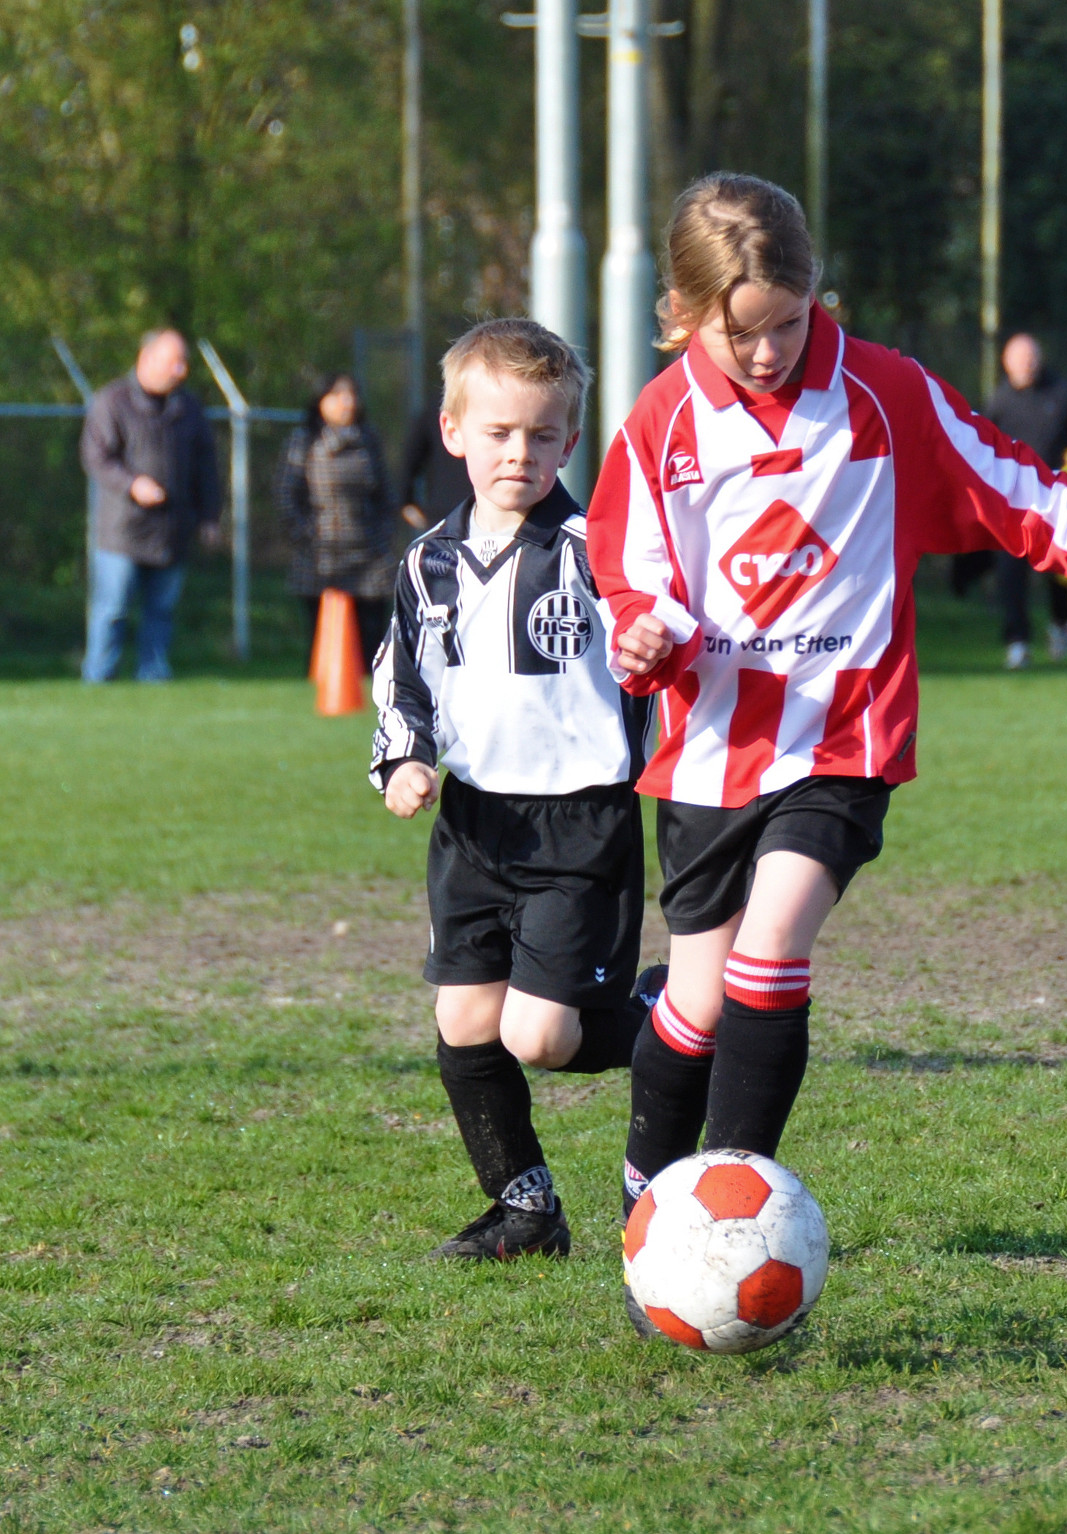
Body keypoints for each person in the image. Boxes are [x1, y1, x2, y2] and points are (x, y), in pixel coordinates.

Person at [584, 173, 1067, 1337]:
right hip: (709, 751)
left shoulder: (881, 391)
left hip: (841, 739)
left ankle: (727, 1219)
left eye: (787, 323)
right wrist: (641, 631)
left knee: (772, 948)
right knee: (692, 1002)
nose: (766, 351)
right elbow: (627, 572)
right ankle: (651, 1198)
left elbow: (996, 471)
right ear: (685, 315)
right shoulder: (659, 423)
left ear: (816, 296)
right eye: (740, 332)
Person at [369, 318, 664, 1262]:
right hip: (473, 824)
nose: (518, 453)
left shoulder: (598, 550)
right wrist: (405, 759)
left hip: (581, 823)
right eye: (498, 432)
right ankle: (526, 1209)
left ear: (570, 441)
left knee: (538, 1036)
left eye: (541, 435)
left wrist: (652, 644)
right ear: (453, 430)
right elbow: (401, 678)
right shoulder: (427, 563)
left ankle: (674, 1019)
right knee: (465, 1020)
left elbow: (660, 635)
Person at [78, 329, 221, 682]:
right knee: (112, 609)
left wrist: (210, 516)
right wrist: (132, 484)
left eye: (183, 363)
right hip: (121, 531)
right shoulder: (112, 401)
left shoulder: (188, 408)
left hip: (172, 529)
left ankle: (154, 676)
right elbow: (96, 457)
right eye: (175, 362)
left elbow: (206, 468)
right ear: (147, 359)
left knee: (161, 610)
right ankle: (99, 677)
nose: (181, 370)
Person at [984, 333, 1067, 667]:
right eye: (1019, 360)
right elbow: (983, 443)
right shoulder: (1000, 401)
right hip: (1013, 502)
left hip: (1054, 498)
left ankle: (1061, 626)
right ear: (1006, 364)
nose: (1027, 365)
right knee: (1010, 573)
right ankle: (1017, 641)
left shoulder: (1062, 392)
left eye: (1031, 359)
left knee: (1057, 567)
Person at [276, 373, 398, 671]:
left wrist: (383, 534)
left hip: (369, 555)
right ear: (320, 401)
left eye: (351, 395)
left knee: (372, 637)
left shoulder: (368, 440)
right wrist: (306, 534)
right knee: (324, 640)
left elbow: (385, 495)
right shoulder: (304, 441)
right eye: (337, 395)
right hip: (320, 556)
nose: (347, 402)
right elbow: (286, 494)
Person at [398, 391, 474, 532]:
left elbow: (410, 459)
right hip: (447, 511)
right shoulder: (435, 409)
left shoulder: (435, 406)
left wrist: (405, 501)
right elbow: (412, 457)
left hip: (444, 510)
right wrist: (406, 501)